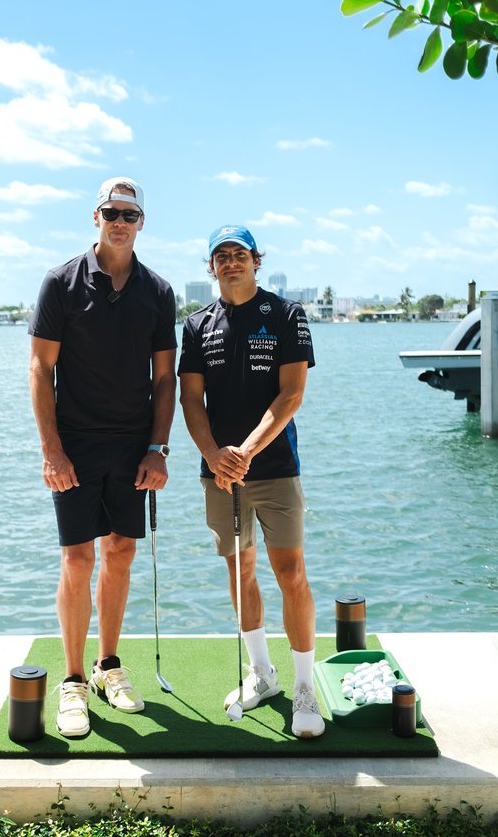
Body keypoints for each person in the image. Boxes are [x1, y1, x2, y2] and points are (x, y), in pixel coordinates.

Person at [28, 177, 177, 738]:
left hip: (135, 444)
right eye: (111, 212)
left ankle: (108, 665)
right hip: (75, 444)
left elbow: (164, 378)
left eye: (130, 214)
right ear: (95, 217)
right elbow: (41, 368)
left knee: (119, 554)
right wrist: (52, 450)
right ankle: (72, 681)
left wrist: (158, 448)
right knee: (77, 559)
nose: (120, 222)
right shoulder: (60, 283)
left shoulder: (158, 292)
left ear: (141, 223)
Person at [178, 225, 324, 738]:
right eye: (221, 256)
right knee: (239, 573)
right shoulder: (196, 325)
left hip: (275, 467)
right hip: (220, 473)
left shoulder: (287, 314)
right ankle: (262, 673)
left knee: (291, 573)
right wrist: (215, 455)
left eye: (240, 254)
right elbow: (190, 400)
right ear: (210, 267)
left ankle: (305, 687)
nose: (231, 262)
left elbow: (291, 393)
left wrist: (247, 450)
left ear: (256, 261)